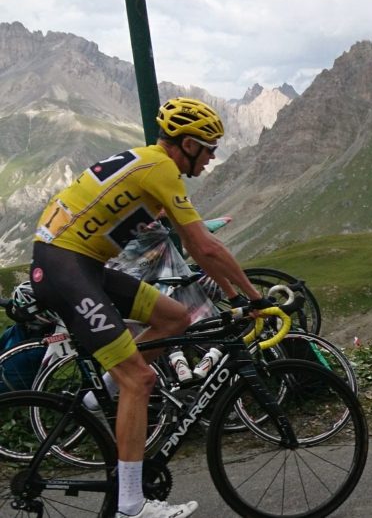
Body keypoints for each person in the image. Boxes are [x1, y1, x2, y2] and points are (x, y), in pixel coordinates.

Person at [30, 97, 268, 518]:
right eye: (209, 148)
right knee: (139, 380)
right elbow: (204, 247)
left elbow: (198, 246)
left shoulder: (152, 164)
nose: (212, 158)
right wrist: (253, 297)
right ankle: (131, 506)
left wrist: (234, 296)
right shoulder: (160, 168)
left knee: (175, 316)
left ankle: (99, 395)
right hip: (65, 266)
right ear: (189, 144)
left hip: (80, 263)